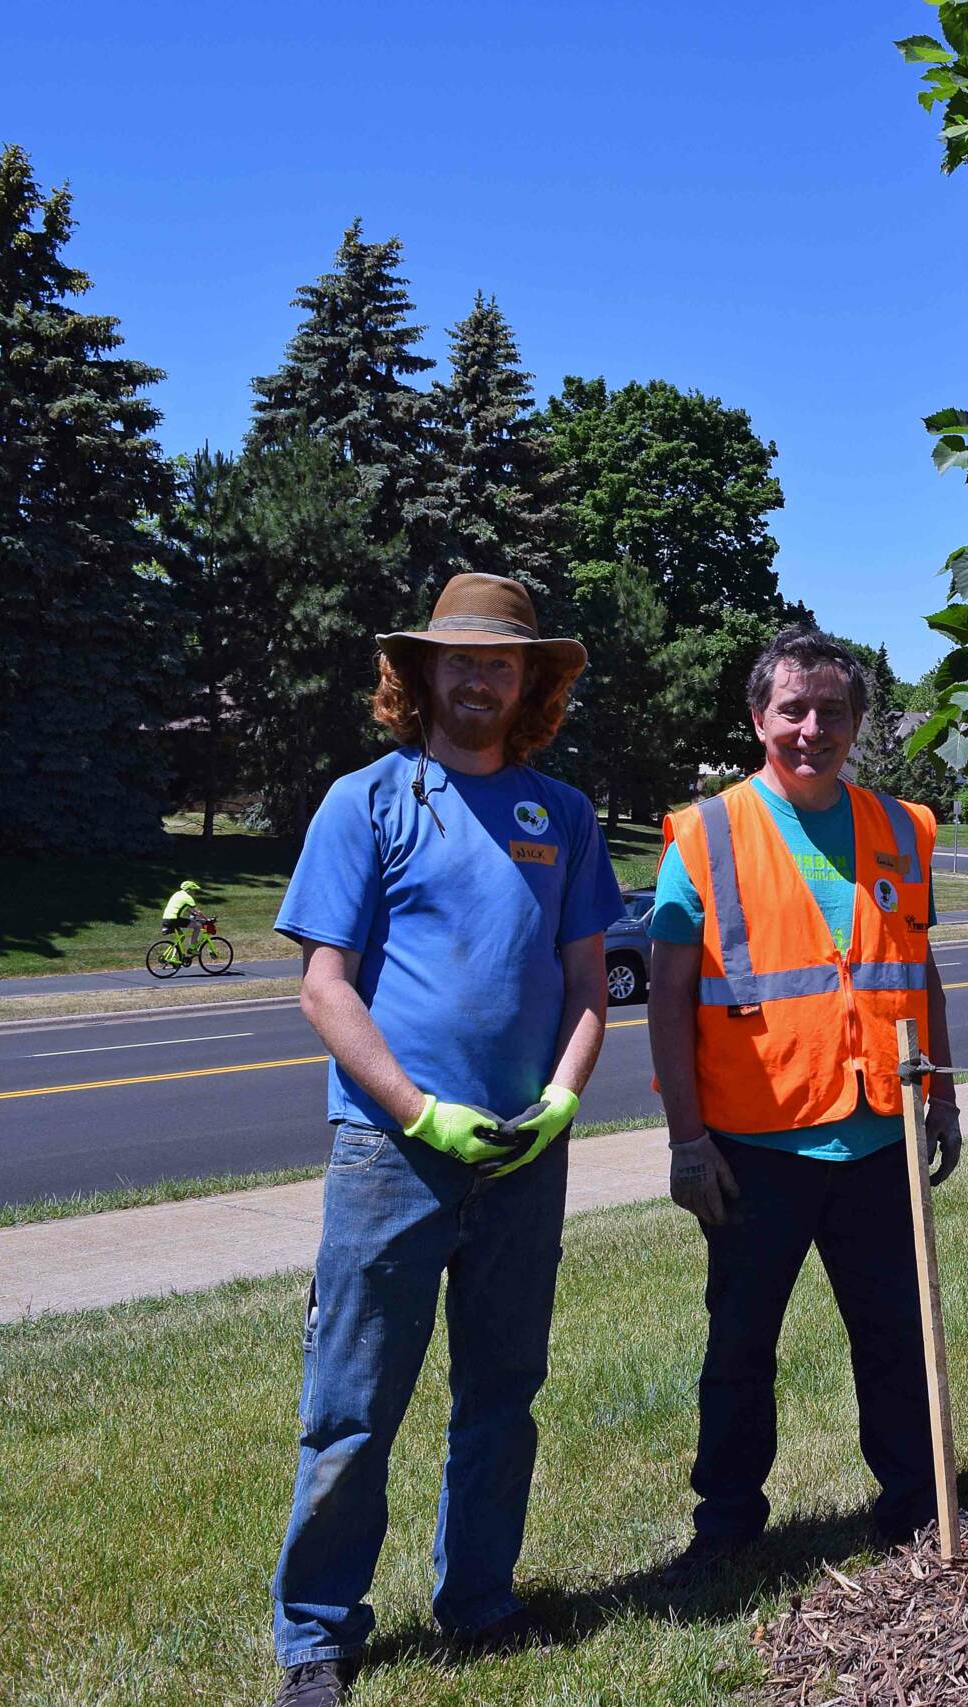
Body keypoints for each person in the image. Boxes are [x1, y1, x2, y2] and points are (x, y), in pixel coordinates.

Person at [266, 574, 622, 1707]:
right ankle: (316, 1637)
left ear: (530, 683)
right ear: (418, 675)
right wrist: (419, 1111)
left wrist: (563, 1096)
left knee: (504, 1393)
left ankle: (479, 1602)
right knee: (353, 1405)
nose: (478, 677)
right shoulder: (366, 802)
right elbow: (326, 988)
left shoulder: (559, 815)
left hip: (524, 1154)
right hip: (391, 1154)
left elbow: (587, 984)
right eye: (458, 659)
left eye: (500, 662)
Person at [648, 626, 962, 1584]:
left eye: (832, 711)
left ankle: (913, 1503)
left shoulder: (903, 827)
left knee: (895, 1336)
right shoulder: (704, 834)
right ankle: (728, 1521)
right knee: (741, 1344)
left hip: (876, 1139)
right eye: (793, 709)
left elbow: (920, 969)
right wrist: (687, 1139)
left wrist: (941, 1091)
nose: (812, 728)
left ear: (859, 723)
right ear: (759, 718)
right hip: (755, 1147)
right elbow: (666, 993)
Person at [162, 878, 210, 961]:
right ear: (189, 890)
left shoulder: (177, 894)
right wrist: (207, 919)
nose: (194, 893)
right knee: (198, 926)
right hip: (174, 919)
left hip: (166, 919)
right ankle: (192, 949)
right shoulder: (188, 898)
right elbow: (198, 911)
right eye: (194, 891)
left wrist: (192, 913)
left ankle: (173, 958)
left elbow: (185, 907)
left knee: (181, 937)